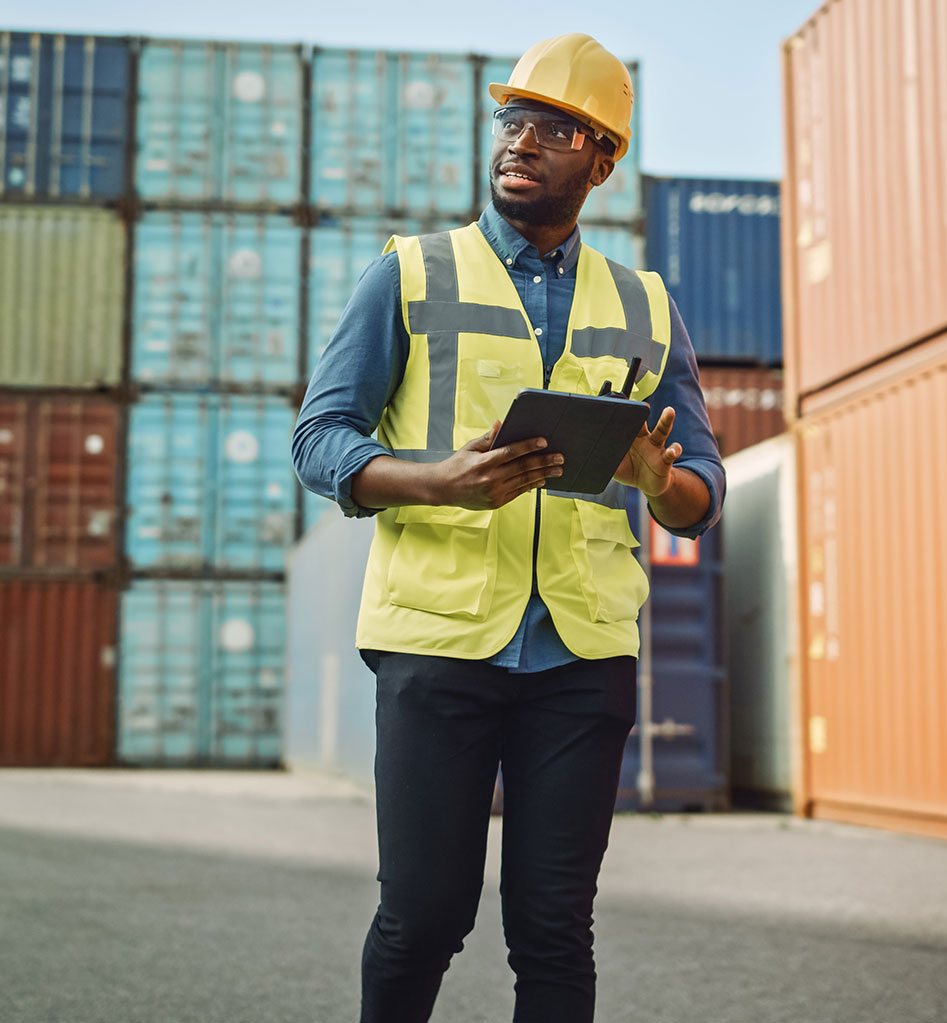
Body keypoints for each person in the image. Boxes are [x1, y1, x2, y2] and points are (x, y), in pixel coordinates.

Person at [292, 33, 725, 1023]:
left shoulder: (646, 305)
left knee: (554, 924)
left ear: (603, 160)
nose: (522, 141)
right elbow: (319, 441)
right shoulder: (408, 274)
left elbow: (700, 500)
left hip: (581, 655)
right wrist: (438, 481)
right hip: (437, 643)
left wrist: (656, 475)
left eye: (555, 128)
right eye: (512, 121)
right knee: (424, 916)